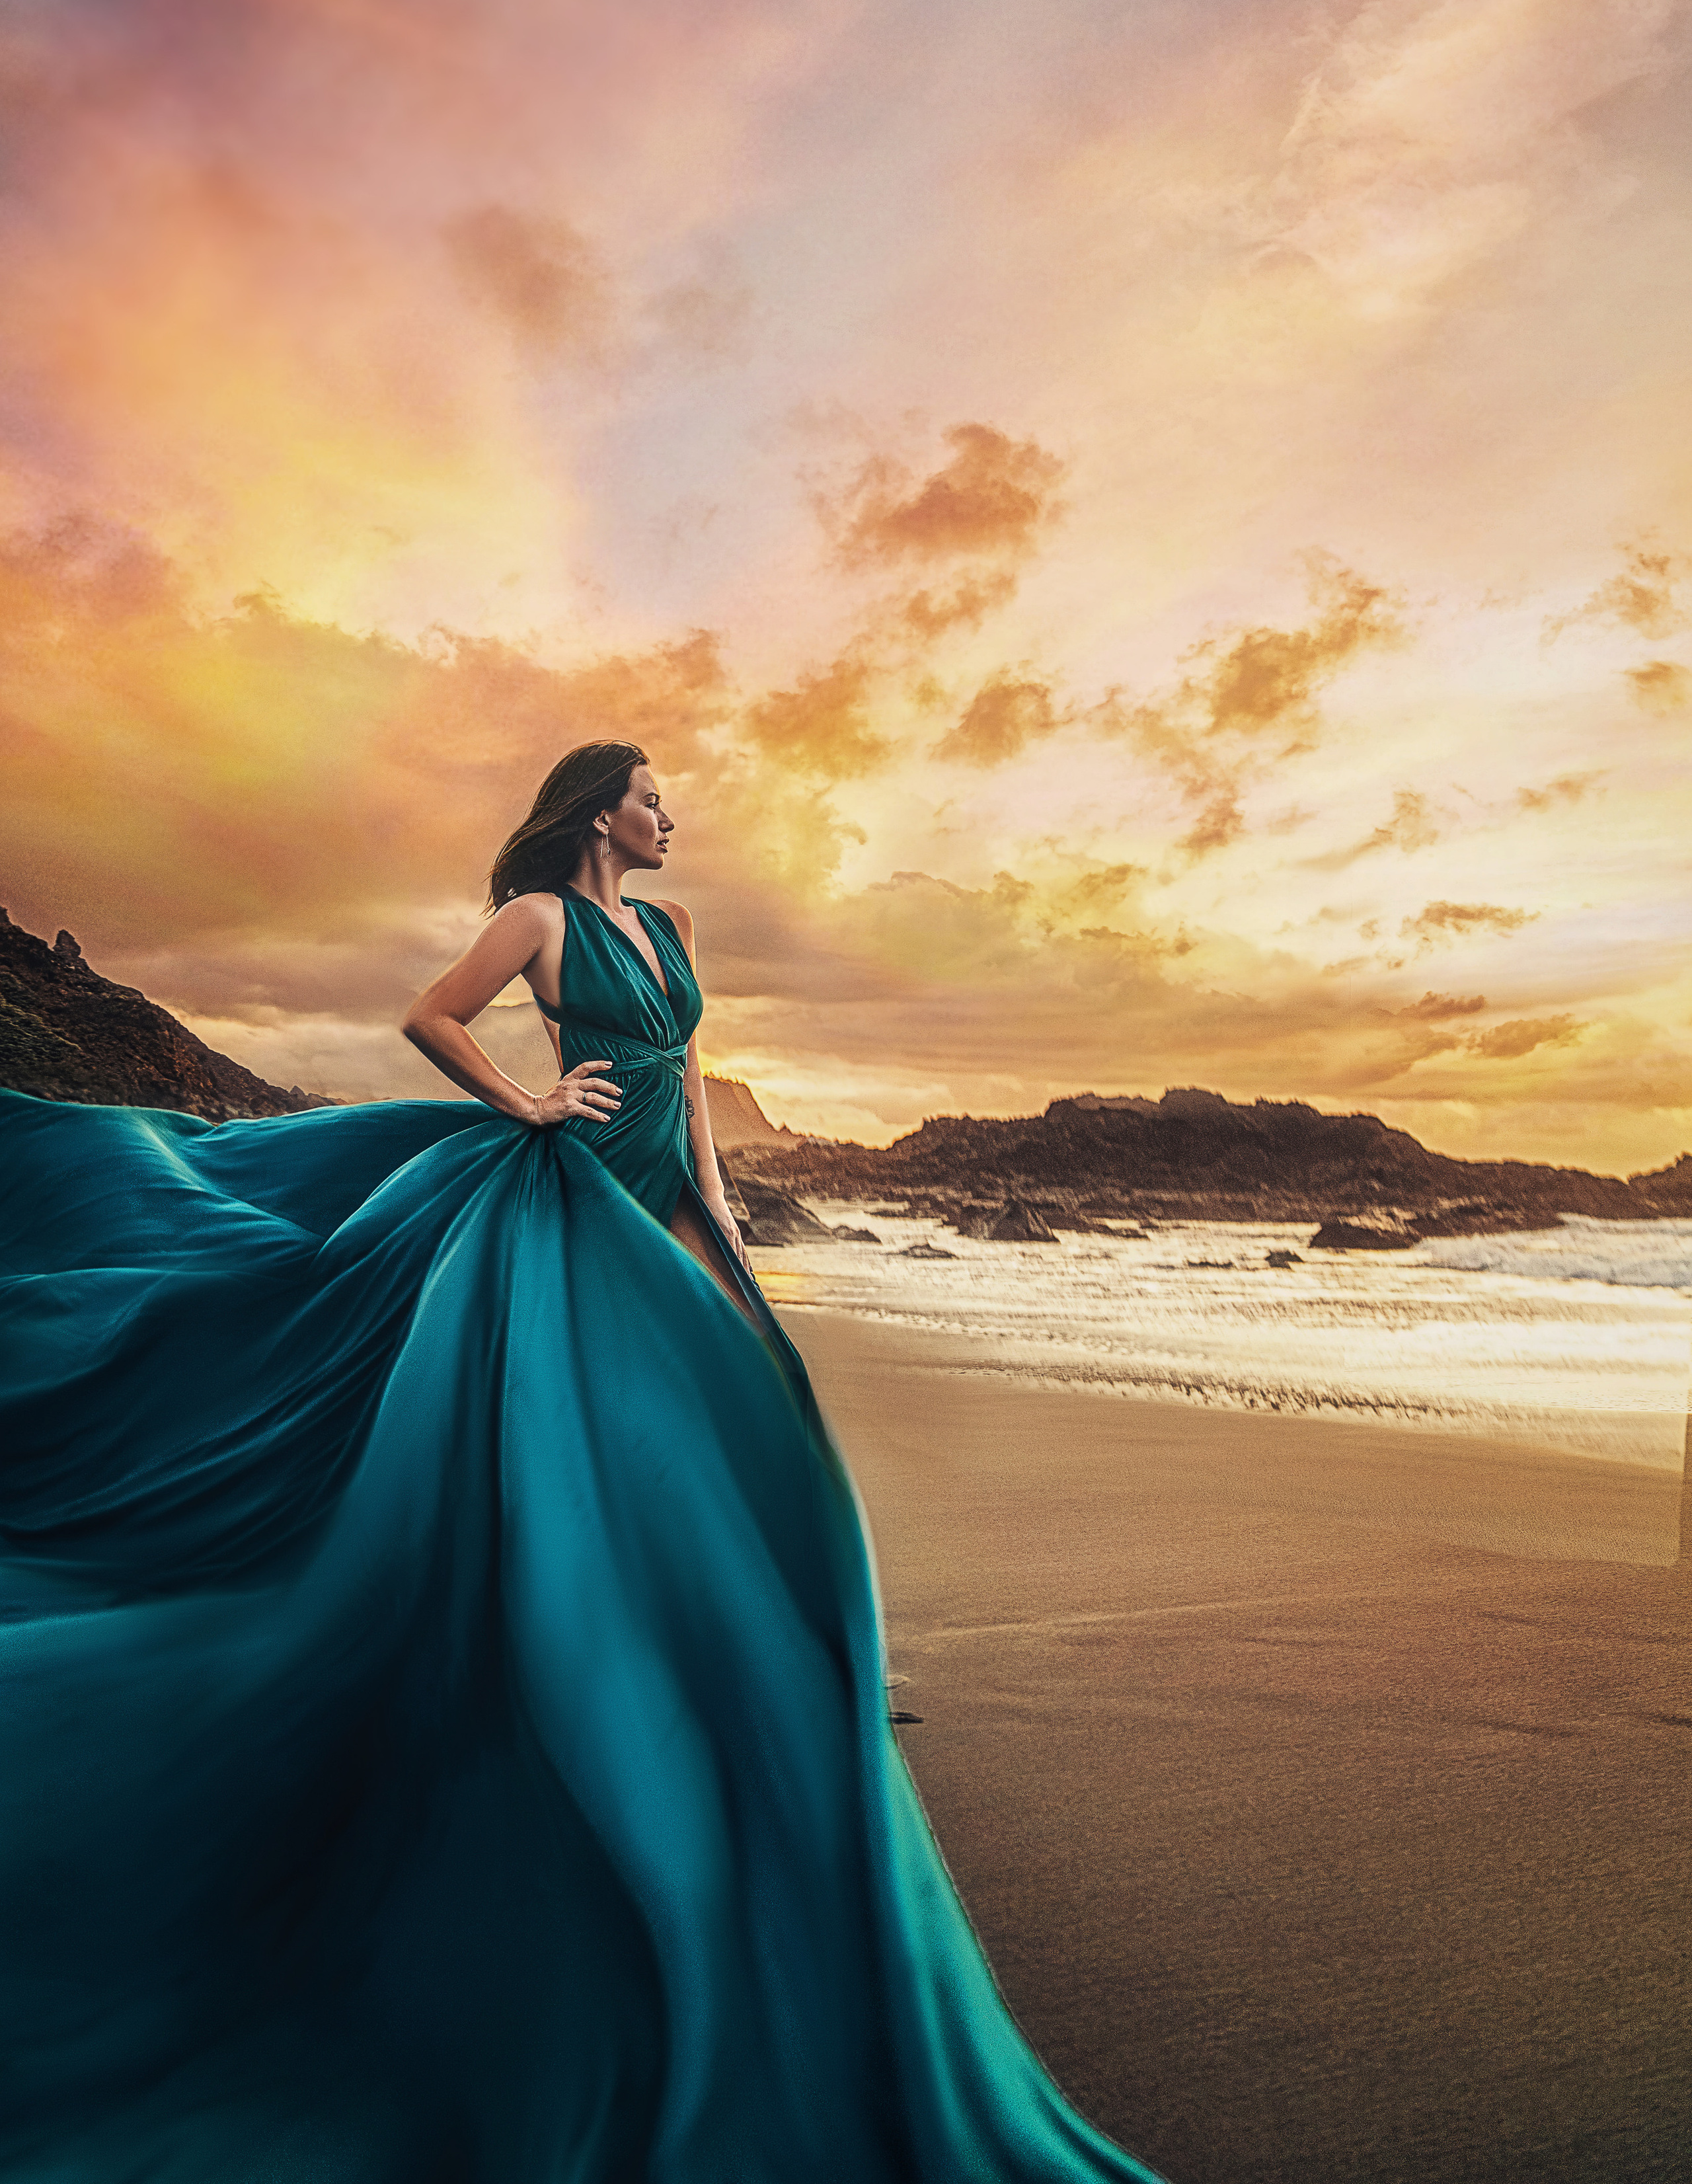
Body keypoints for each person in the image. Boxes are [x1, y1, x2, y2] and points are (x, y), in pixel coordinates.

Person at [0, 741, 1166, 2184]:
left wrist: (729, 1242)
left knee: (755, 1427)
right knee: (586, 1452)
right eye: (654, 795)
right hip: (558, 1215)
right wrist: (532, 1103)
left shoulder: (673, 932)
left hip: (666, 1211)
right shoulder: (540, 920)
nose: (671, 816)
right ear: (596, 806)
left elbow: (682, 1085)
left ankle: (783, 1661)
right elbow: (430, 1015)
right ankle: (584, 1676)